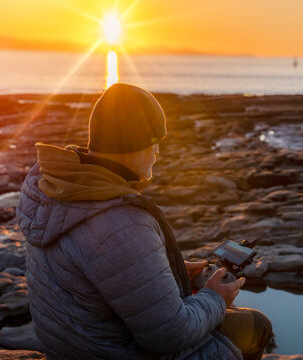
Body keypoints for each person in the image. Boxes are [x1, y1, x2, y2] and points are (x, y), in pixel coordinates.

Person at [16, 83, 272, 360]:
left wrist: (166, 273)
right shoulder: (123, 222)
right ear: (134, 147)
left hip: (71, 346)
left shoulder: (52, 187)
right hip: (116, 353)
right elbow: (170, 336)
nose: (157, 154)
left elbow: (97, 271)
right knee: (257, 325)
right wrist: (215, 299)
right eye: (154, 144)